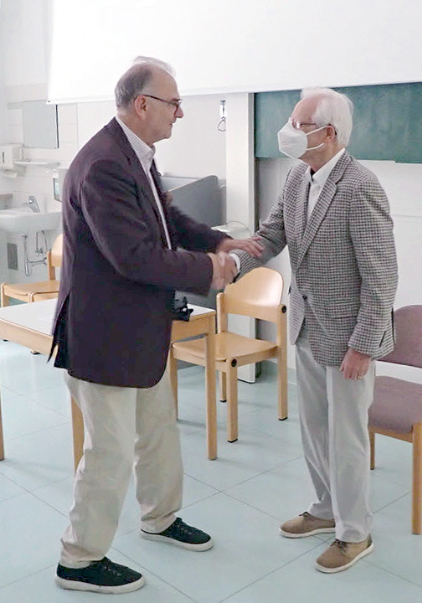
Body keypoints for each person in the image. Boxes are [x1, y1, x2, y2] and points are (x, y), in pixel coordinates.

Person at [51, 56, 262, 595]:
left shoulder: (134, 155)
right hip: (104, 336)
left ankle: (160, 517)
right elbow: (134, 256)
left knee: (158, 431)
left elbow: (167, 220)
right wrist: (211, 270)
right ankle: (79, 559)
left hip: (140, 329)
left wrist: (218, 241)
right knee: (110, 450)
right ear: (143, 104)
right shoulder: (103, 164)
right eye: (175, 104)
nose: (181, 114)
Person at [233, 88, 398, 573]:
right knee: (314, 430)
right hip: (306, 325)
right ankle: (326, 509)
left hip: (349, 339)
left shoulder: (360, 186)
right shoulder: (297, 176)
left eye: (298, 124)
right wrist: (233, 263)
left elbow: (382, 277)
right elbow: (272, 233)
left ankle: (355, 533)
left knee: (346, 439)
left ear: (328, 133)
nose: (288, 131)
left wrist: (363, 346)